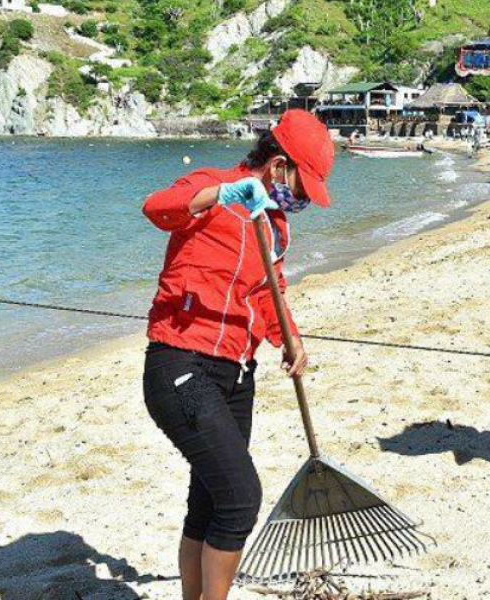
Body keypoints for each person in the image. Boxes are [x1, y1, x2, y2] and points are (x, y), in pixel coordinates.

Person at [141, 109, 333, 600]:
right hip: (181, 362)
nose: (303, 198)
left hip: (236, 373)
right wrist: (220, 196)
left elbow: (269, 292)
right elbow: (159, 208)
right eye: (303, 185)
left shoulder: (273, 225)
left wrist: (290, 338)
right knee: (240, 497)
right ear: (278, 165)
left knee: (208, 501)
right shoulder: (216, 186)